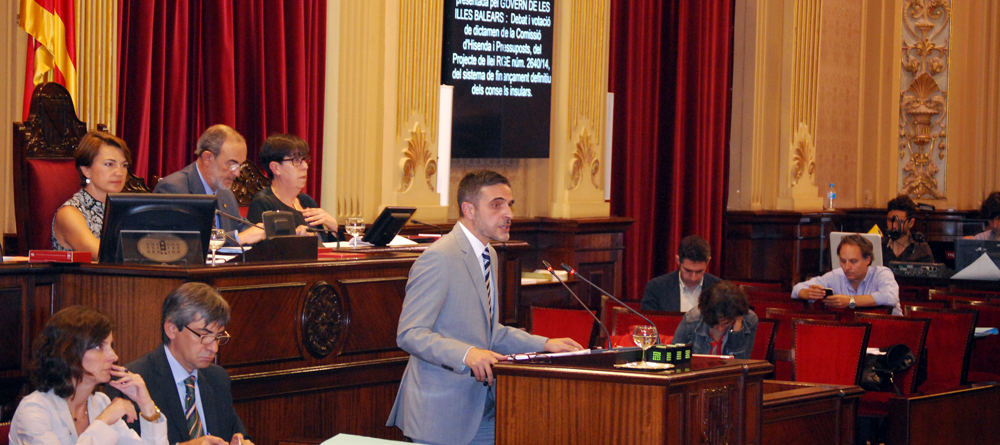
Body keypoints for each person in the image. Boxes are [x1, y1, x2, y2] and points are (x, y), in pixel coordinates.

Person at [386, 170, 582, 444]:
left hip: (485, 406)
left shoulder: (489, 254)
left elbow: (490, 333)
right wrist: (467, 354)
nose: (508, 214)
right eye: (496, 204)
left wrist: (545, 343)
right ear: (469, 209)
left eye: (509, 205)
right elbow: (410, 333)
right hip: (442, 414)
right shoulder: (439, 258)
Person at [106, 283, 252, 445]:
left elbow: (237, 434)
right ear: (172, 329)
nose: (213, 348)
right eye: (204, 335)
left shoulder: (217, 378)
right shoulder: (133, 383)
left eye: (218, 337)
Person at [9, 305, 167, 445]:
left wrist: (146, 404)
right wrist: (104, 421)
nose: (114, 356)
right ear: (69, 351)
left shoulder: (100, 403)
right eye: (99, 346)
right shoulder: (34, 409)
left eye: (111, 346)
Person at [153, 125, 264, 245]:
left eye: (240, 165)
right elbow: (183, 243)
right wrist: (237, 238)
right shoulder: (173, 190)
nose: (237, 173)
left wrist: (264, 231)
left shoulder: (226, 194)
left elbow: (241, 227)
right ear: (208, 158)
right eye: (232, 164)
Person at [51, 131, 132, 255]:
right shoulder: (70, 213)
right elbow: (103, 256)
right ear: (86, 170)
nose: (120, 172)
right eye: (109, 164)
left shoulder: (127, 209)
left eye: (124, 165)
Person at [246, 134, 338, 242]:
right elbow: (261, 251)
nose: (305, 166)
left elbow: (325, 249)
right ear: (276, 168)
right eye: (296, 160)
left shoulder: (307, 201)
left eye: (305, 160)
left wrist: (333, 228)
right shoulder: (263, 203)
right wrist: (296, 241)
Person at [792, 234, 901, 315]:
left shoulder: (881, 273)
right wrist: (809, 293)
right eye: (843, 261)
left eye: (853, 261)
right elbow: (796, 289)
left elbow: (890, 297)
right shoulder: (836, 275)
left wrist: (851, 301)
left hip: (889, 337)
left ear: (867, 259)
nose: (847, 267)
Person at [672, 281, 758, 359]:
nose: (720, 329)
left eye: (726, 323)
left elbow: (741, 365)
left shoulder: (749, 320)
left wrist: (737, 331)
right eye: (714, 324)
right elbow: (672, 357)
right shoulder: (692, 319)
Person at [640, 235, 722, 312]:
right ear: (678, 261)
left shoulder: (720, 289)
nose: (693, 278)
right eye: (688, 271)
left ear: (708, 262)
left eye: (699, 271)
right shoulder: (657, 288)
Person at [883, 195, 934, 263]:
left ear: (911, 223)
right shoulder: (879, 246)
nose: (894, 226)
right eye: (890, 220)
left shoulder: (921, 249)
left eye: (900, 222)